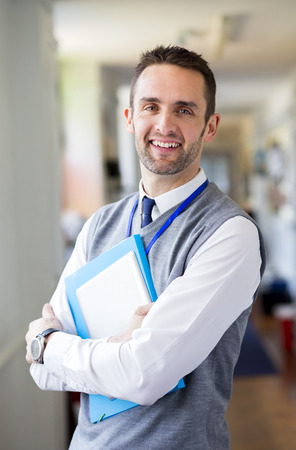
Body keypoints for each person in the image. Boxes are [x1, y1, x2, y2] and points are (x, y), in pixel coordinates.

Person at [25, 45, 265, 449]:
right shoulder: (99, 225)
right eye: (150, 106)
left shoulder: (229, 233)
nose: (165, 124)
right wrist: (115, 349)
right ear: (130, 119)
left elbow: (143, 375)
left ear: (210, 126)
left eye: (184, 110)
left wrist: (51, 345)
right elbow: (41, 372)